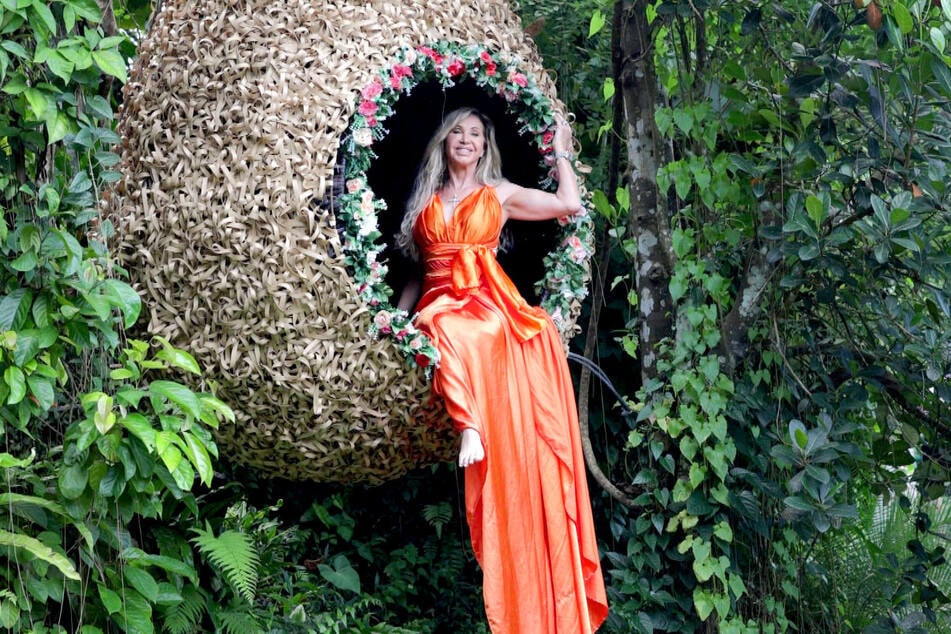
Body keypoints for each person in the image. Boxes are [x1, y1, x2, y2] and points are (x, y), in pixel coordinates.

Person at [397, 107, 608, 633]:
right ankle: (470, 425)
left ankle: (473, 425)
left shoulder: (500, 193)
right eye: (458, 132)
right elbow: (418, 275)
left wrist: (561, 148)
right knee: (439, 324)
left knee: (478, 331)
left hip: (487, 304)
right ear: (444, 141)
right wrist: (393, 322)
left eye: (475, 134)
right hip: (438, 302)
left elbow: (569, 204)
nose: (466, 140)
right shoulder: (426, 199)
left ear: (484, 146)